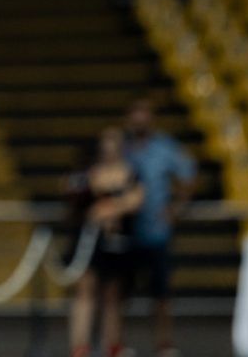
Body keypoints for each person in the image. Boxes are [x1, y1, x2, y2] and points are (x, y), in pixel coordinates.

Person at [124, 98, 195, 357]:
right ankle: (117, 343)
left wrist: (177, 208)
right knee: (121, 293)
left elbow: (187, 175)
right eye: (135, 113)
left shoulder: (166, 147)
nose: (139, 119)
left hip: (156, 232)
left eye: (144, 113)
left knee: (162, 293)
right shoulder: (123, 149)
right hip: (126, 232)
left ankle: (163, 343)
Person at [67, 127, 144, 357]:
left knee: (113, 295)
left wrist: (109, 208)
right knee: (85, 291)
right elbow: (81, 199)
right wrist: (115, 206)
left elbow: (136, 200)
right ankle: (80, 346)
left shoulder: (130, 172)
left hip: (118, 242)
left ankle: (112, 345)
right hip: (91, 242)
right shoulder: (90, 172)